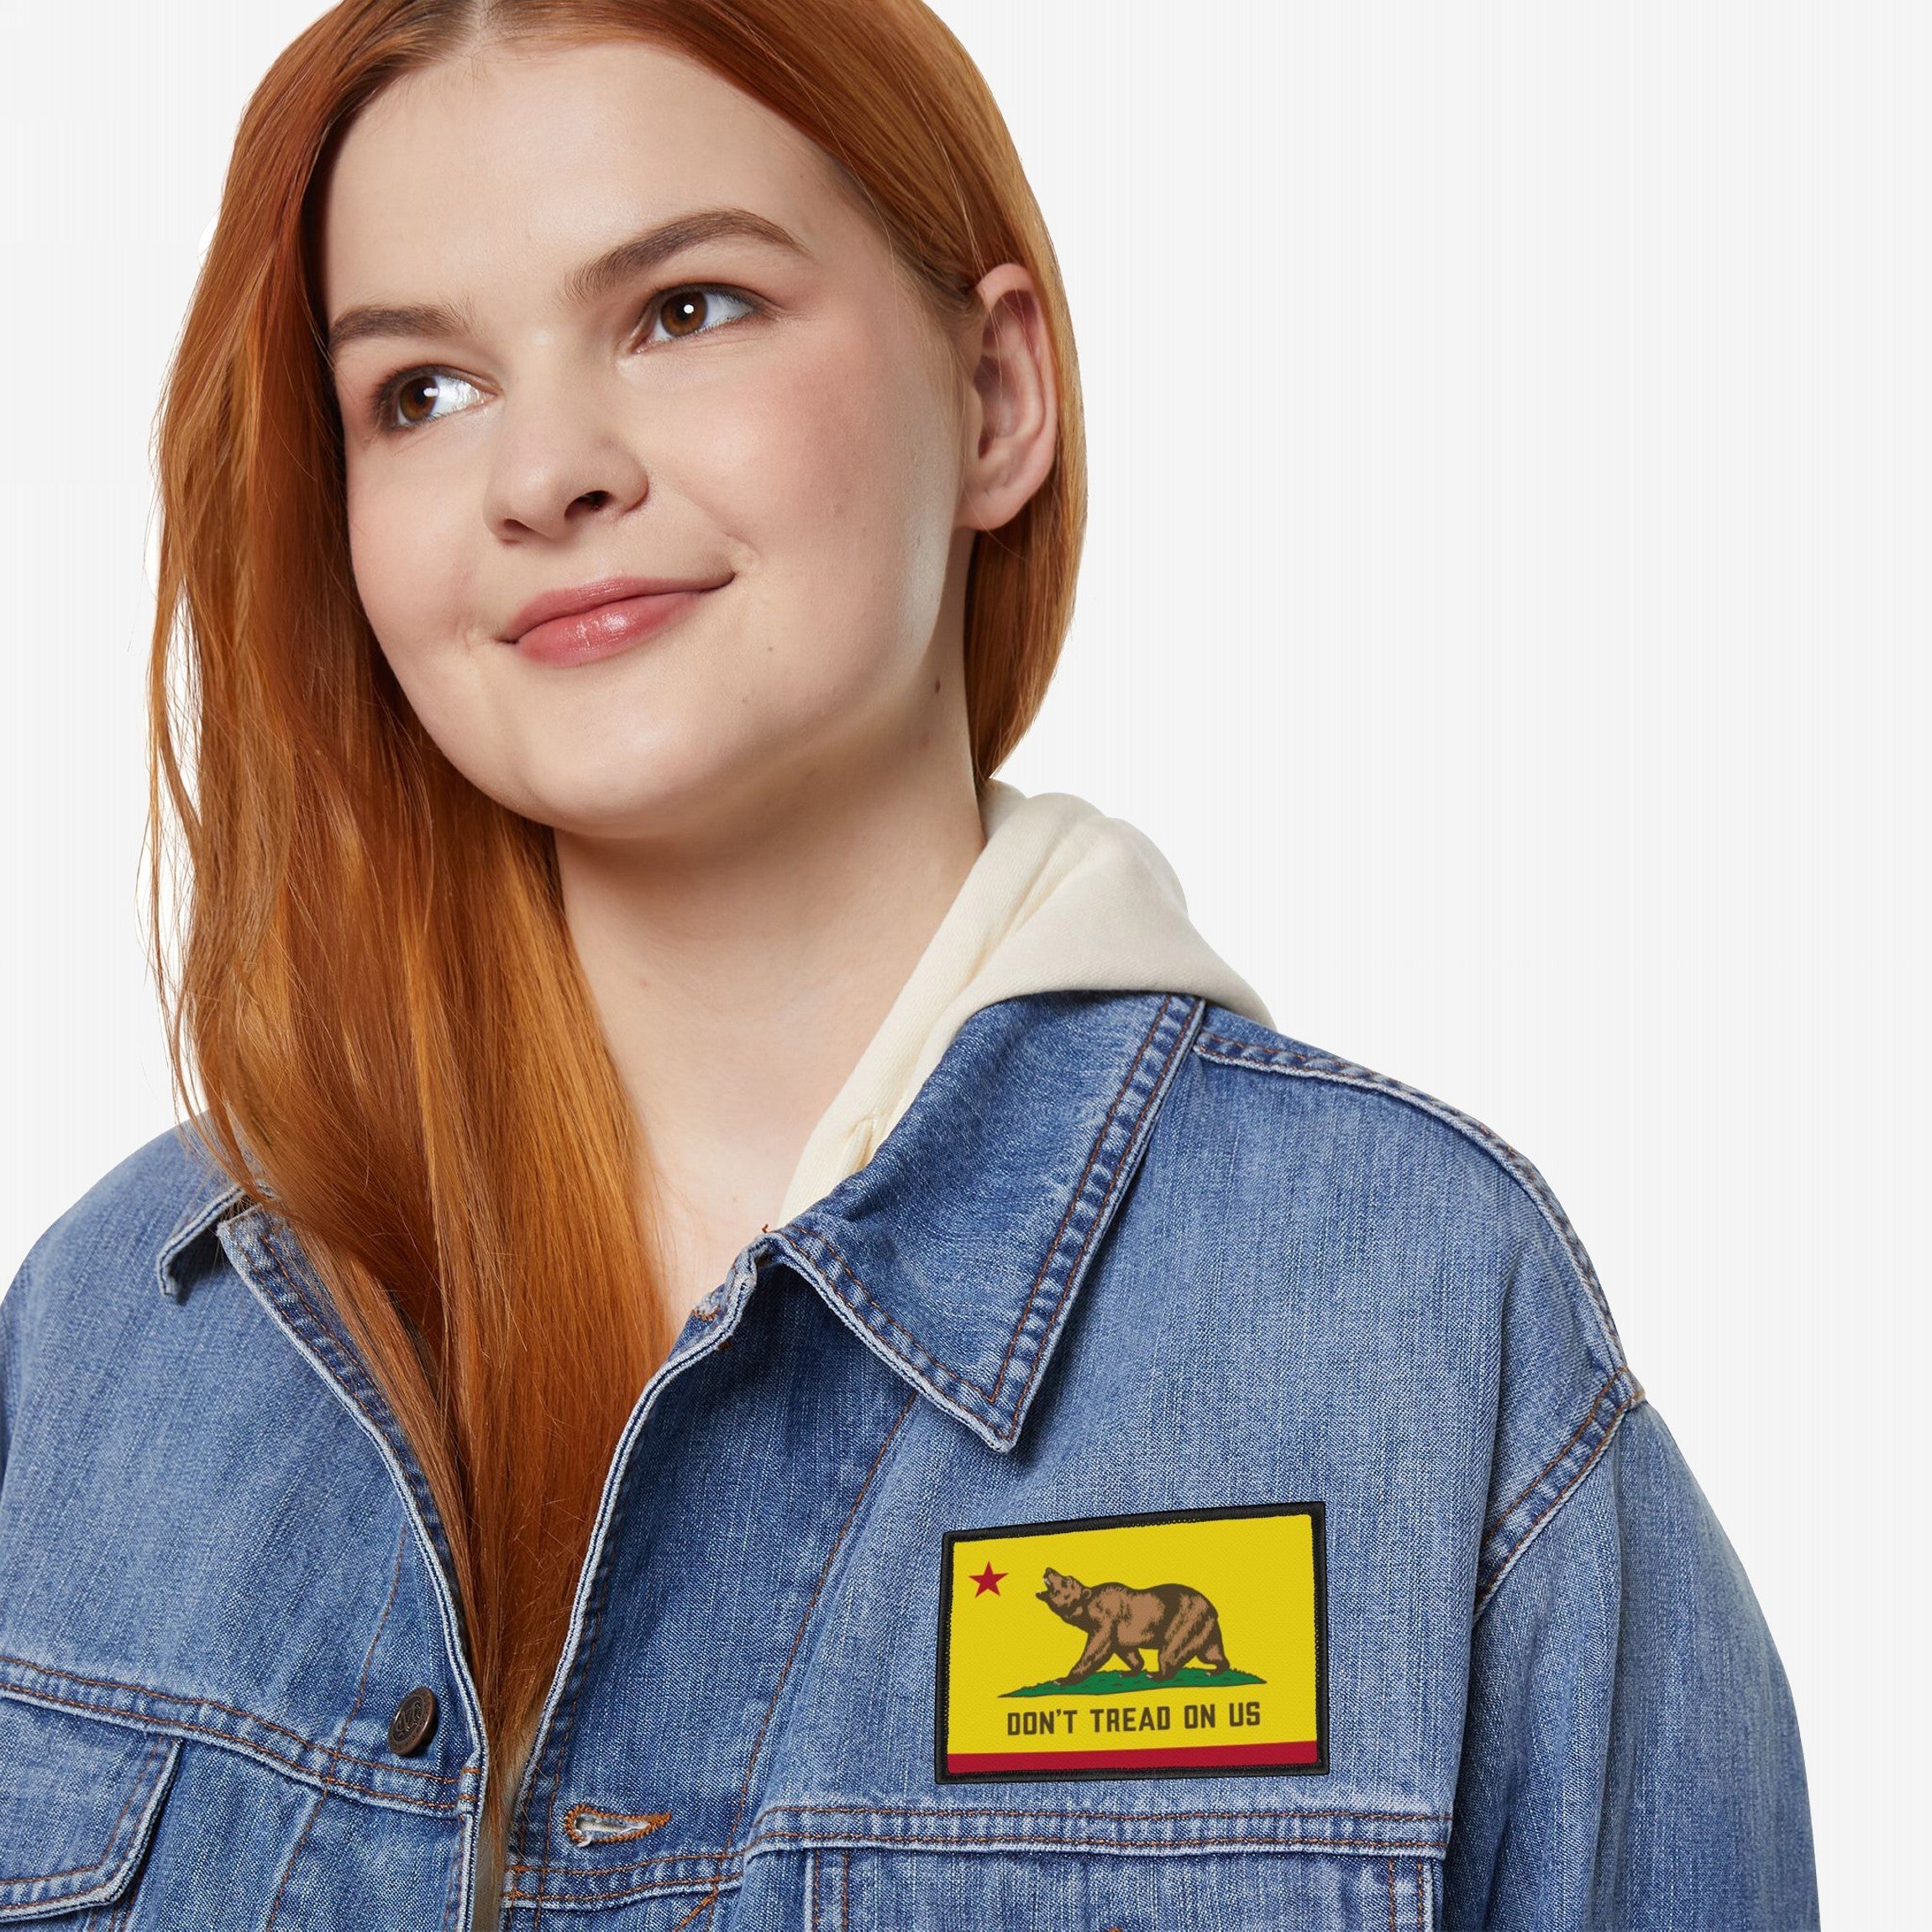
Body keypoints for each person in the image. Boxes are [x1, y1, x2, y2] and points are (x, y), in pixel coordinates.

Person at [0, 3, 1817, 1927]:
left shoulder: (1414, 1331)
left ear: (999, 393)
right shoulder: (128, 1327)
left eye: (685, 307)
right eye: (422, 392)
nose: (543, 475)